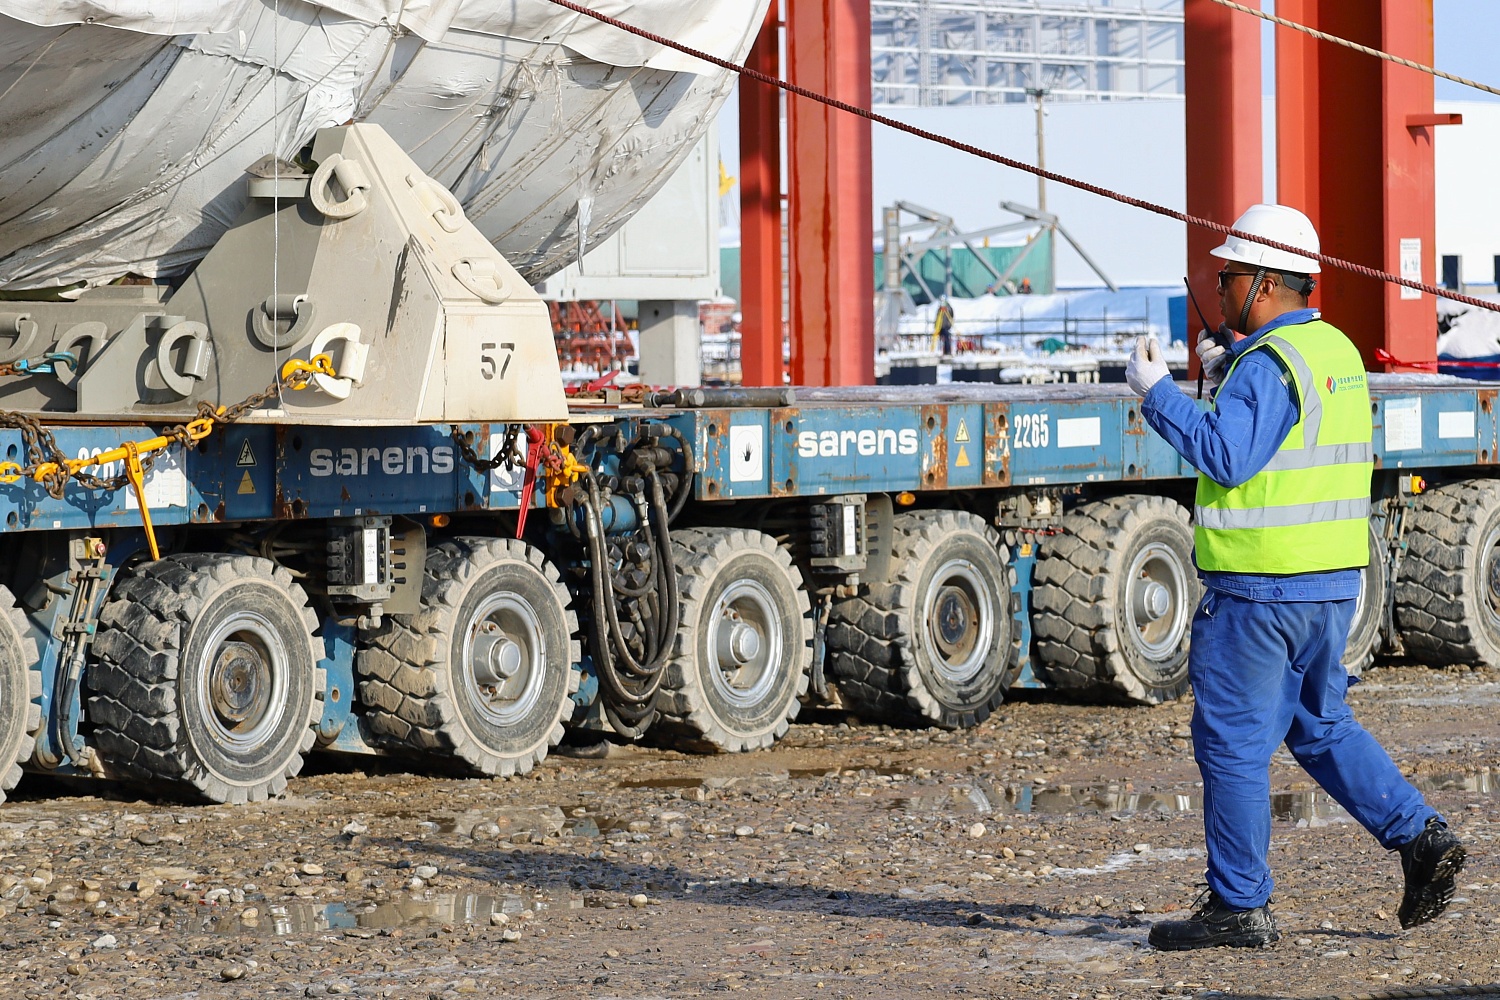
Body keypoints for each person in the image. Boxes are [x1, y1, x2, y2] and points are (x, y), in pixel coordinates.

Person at [1122, 203, 1467, 950]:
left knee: (1234, 745)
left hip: (1258, 591)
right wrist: (1228, 378)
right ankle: (1421, 838)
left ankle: (1238, 907)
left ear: (1268, 284)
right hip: (1330, 584)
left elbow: (1227, 457)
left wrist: (1157, 392)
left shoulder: (1268, 366)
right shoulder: (1334, 353)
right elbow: (1284, 440)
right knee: (1319, 725)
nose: (1218, 288)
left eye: (1231, 276)